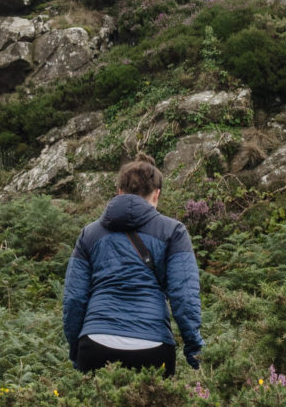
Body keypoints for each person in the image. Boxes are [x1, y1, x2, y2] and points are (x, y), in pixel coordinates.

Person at [62, 156, 203, 377]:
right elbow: (184, 297)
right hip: (154, 346)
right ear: (157, 193)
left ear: (119, 191)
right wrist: (193, 347)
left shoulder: (89, 234)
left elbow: (74, 299)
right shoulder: (173, 231)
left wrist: (75, 349)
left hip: (95, 343)